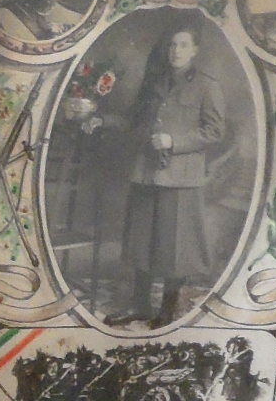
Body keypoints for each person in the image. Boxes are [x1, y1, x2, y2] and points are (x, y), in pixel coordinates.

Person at [66, 23, 227, 326]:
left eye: (183, 45)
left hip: (180, 178)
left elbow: (215, 131)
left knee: (174, 248)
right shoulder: (155, 82)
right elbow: (133, 122)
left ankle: (167, 310)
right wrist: (101, 120)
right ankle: (140, 305)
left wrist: (173, 141)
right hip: (146, 172)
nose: (176, 51)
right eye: (172, 45)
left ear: (195, 50)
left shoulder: (207, 85)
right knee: (141, 242)